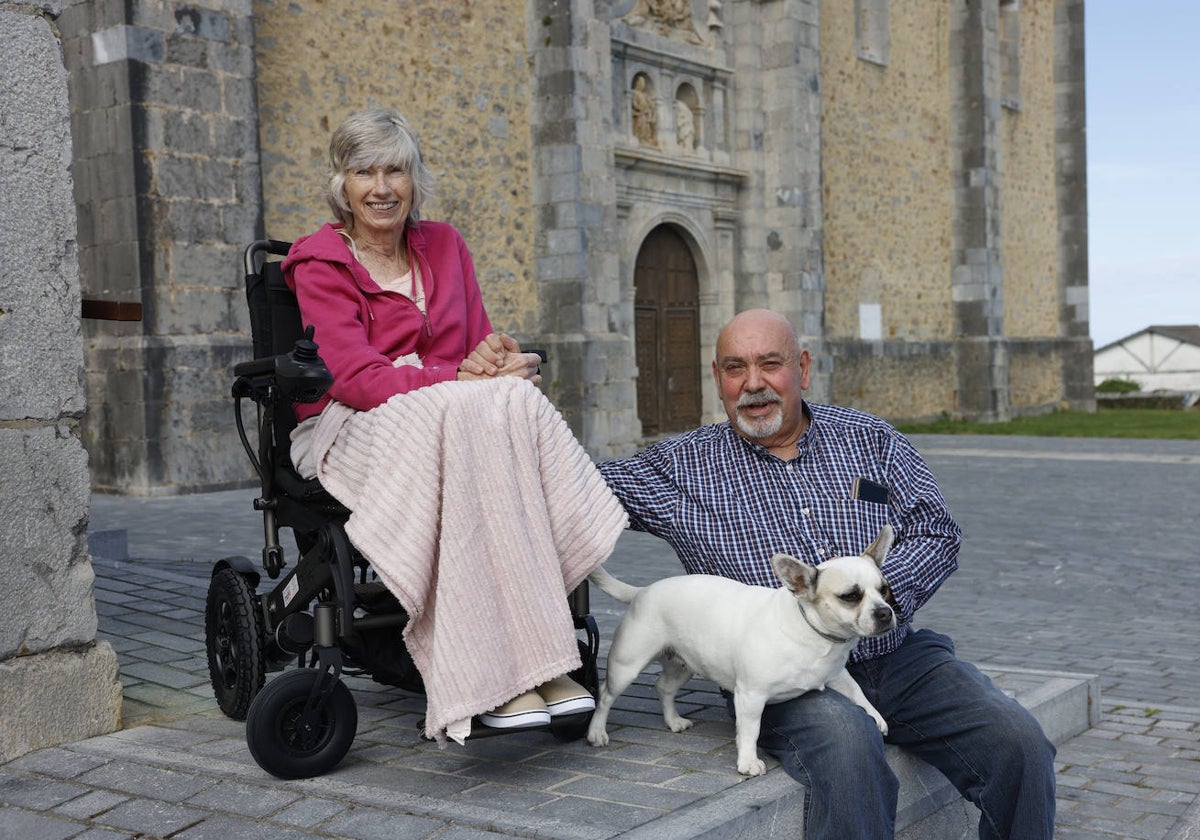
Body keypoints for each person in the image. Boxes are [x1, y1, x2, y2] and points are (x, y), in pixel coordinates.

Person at [597, 309, 1056, 839]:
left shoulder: (870, 440)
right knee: (850, 748)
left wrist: (870, 608)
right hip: (784, 676)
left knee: (1016, 739)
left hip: (898, 657)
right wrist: (508, 397)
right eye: (734, 367)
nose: (753, 383)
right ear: (718, 379)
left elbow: (935, 529)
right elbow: (574, 484)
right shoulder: (679, 465)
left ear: (803, 368)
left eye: (771, 364)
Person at [281, 108, 627, 743]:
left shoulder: (444, 244)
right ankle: (494, 678)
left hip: (450, 415)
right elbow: (354, 377)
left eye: (396, 170)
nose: (382, 187)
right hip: (352, 424)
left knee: (515, 399)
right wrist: (462, 380)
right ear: (343, 185)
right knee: (482, 409)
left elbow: (476, 348)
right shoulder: (320, 261)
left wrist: (498, 358)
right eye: (365, 172)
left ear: (415, 180)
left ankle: (545, 662)